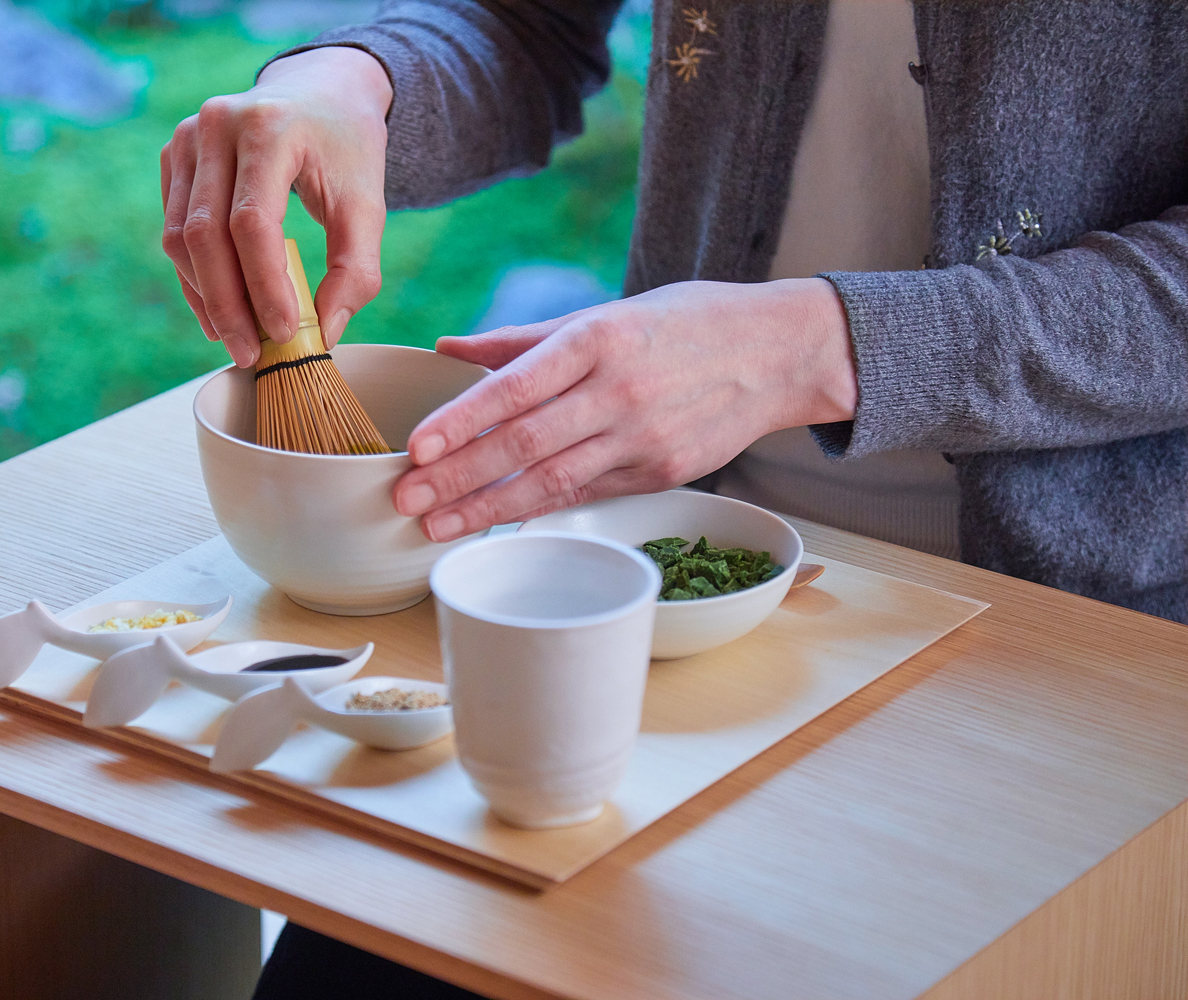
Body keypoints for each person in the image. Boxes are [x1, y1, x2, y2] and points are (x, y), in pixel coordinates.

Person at [160, 1, 1187, 994]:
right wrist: (353, 78)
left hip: (1079, 640)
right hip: (656, 567)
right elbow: (523, 22)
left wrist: (822, 349)